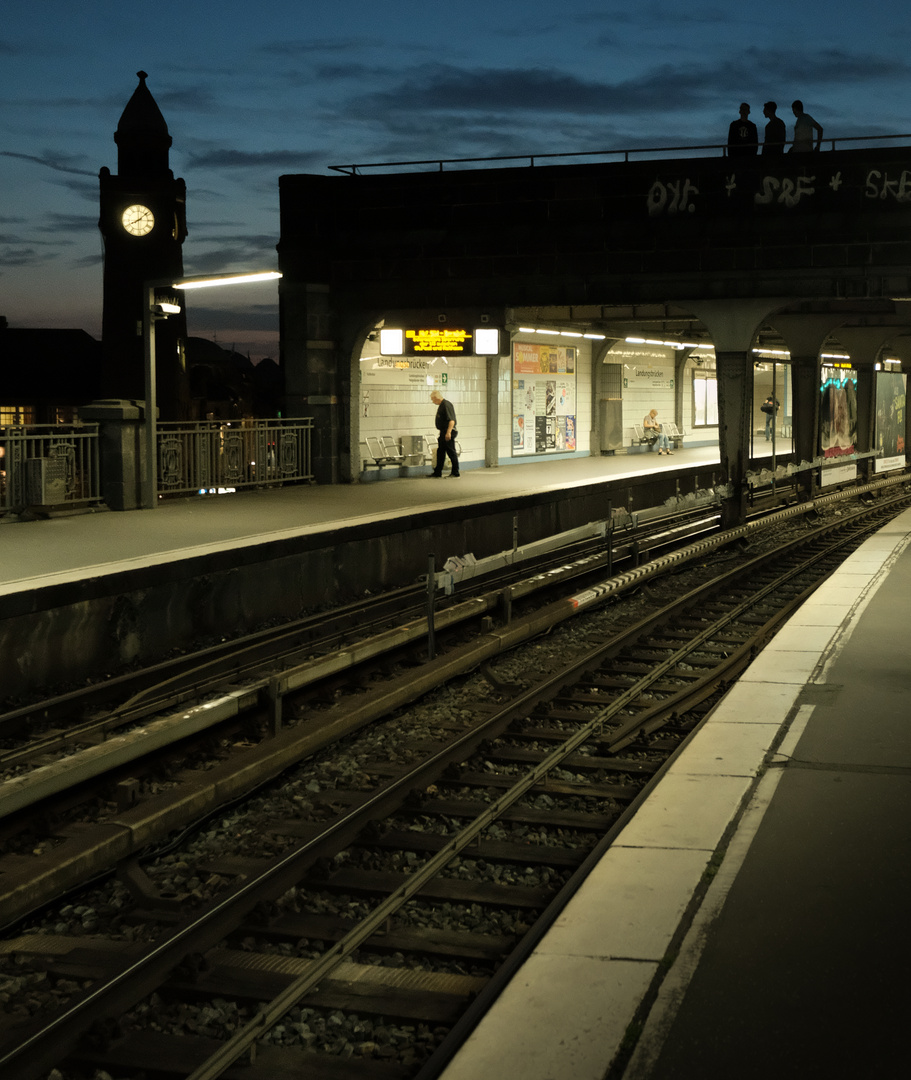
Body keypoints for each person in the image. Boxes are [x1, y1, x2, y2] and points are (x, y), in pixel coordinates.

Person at [429, 390, 459, 477]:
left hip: (448, 431)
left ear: (436, 398)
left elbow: (451, 420)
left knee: (451, 452)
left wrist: (448, 432)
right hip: (443, 432)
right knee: (440, 452)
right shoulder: (442, 405)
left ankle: (455, 472)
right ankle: (437, 472)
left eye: (432, 399)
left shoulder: (446, 405)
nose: (432, 401)